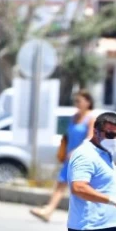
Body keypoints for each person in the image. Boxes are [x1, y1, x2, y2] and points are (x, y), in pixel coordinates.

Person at [30, 90, 95, 222]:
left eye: (79, 101)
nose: (77, 104)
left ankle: (90, 215)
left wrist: (76, 151)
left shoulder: (91, 118)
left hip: (81, 157)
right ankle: (48, 210)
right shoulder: (74, 117)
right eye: (75, 101)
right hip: (68, 157)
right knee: (61, 184)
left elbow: (90, 138)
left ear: (87, 102)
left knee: (81, 187)